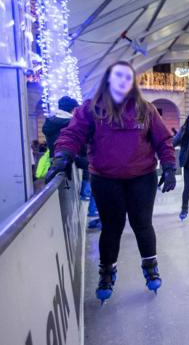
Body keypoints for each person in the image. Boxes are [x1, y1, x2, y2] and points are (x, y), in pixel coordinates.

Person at [45, 61, 177, 303]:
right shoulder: (91, 109)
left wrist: (169, 166)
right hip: (106, 179)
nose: (123, 81)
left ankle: (151, 267)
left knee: (142, 225)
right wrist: (62, 155)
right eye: (118, 76)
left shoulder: (145, 109)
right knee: (112, 227)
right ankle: (107, 273)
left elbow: (163, 141)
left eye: (128, 77)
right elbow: (72, 134)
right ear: (108, 80)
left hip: (142, 178)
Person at [42, 96, 101, 226]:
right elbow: (79, 144)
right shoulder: (71, 123)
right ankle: (93, 208)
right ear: (73, 109)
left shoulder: (49, 122)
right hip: (72, 158)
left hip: (57, 159)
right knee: (97, 175)